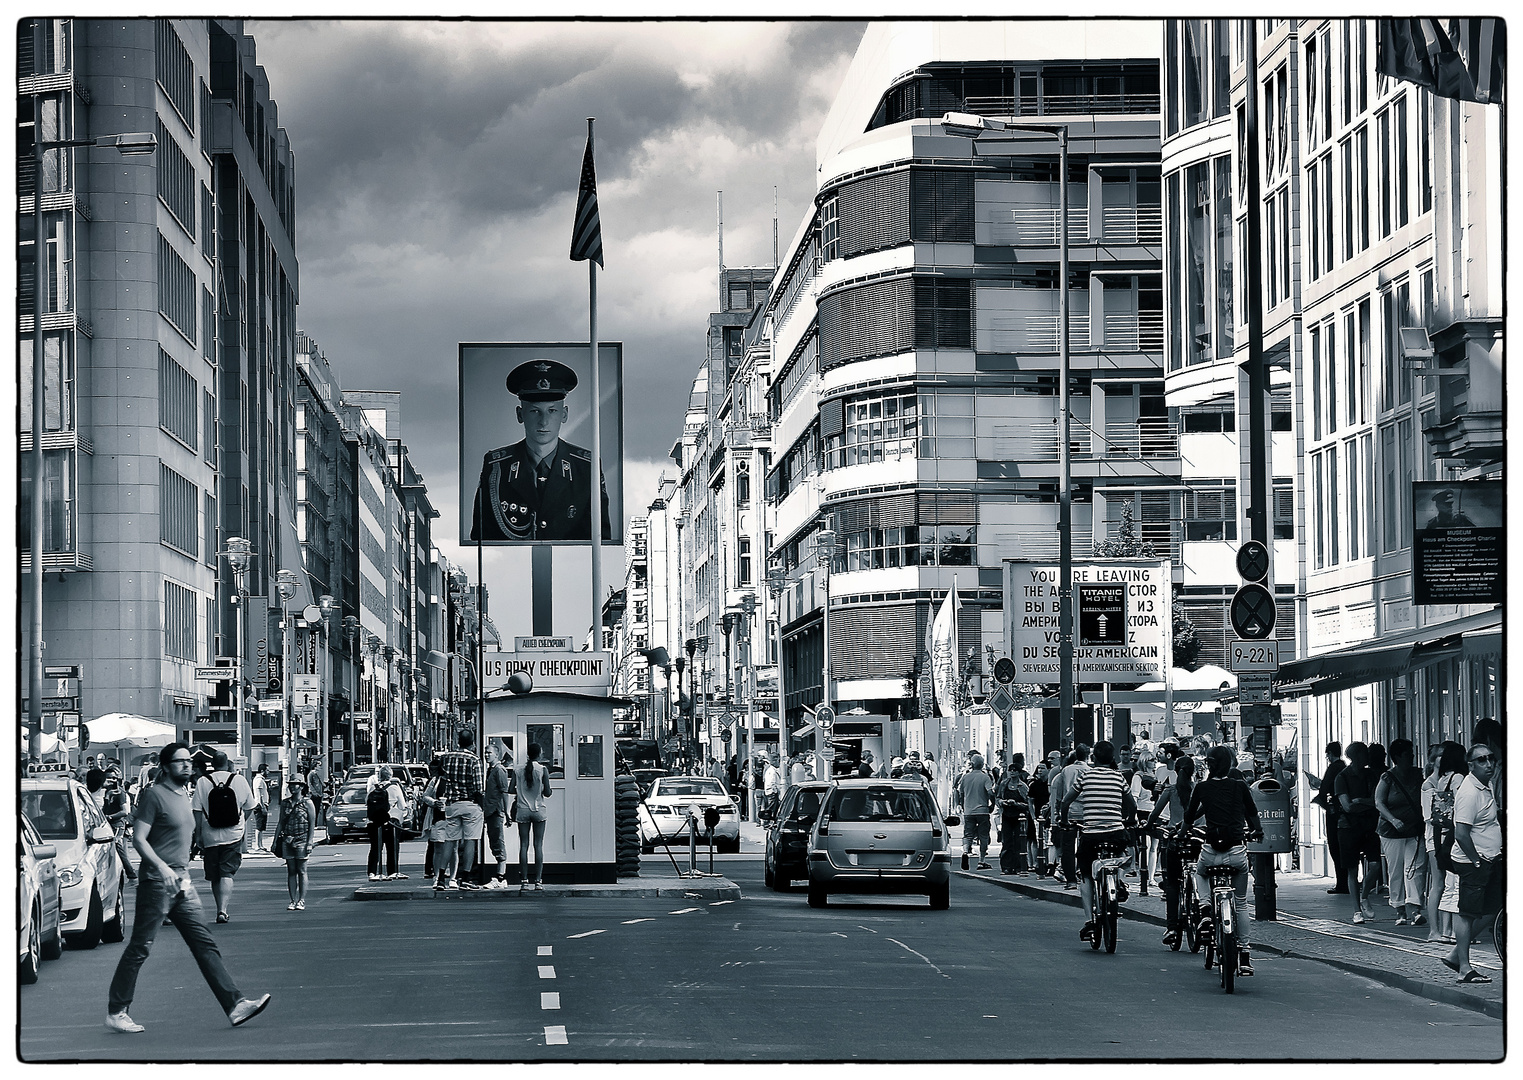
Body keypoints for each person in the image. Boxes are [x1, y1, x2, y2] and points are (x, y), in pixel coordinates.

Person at [106, 742, 270, 1033]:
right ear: (167, 766)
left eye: (188, 762)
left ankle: (235, 1005)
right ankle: (117, 1010)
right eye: (180, 762)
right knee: (140, 947)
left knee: (204, 944)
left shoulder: (185, 794)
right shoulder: (154, 796)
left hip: (182, 882)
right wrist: (162, 868)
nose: (187, 766)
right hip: (157, 882)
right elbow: (139, 839)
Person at [469, 358, 612, 542]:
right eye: (535, 411)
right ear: (520, 415)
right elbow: (481, 538)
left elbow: (602, 540)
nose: (544, 422)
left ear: (564, 414)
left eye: (552, 411)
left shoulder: (585, 467)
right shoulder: (497, 467)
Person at [1183, 745, 1265, 976]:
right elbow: (1252, 813)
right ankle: (1245, 955)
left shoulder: (1202, 787)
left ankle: (1206, 910)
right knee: (1240, 903)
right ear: (1230, 764)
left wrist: (1181, 833)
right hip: (1237, 852)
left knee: (1199, 873)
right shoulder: (1239, 786)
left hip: (1210, 851)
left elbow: (1190, 817)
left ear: (1208, 765)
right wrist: (1257, 831)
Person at [1443, 742, 1503, 984]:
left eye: (1490, 758)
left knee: (1493, 908)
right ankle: (1464, 968)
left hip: (1489, 857)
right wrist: (1476, 861)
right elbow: (1461, 833)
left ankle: (1457, 955)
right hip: (1474, 862)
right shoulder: (1469, 792)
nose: (1488, 763)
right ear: (1470, 765)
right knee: (1467, 912)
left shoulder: (1484, 785)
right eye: (1481, 760)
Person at [1059, 741, 1129, 943]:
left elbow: (1066, 801)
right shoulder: (1119, 777)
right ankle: (1118, 879)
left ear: (1093, 759)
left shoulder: (1086, 776)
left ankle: (1090, 920)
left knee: (1086, 876)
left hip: (1091, 834)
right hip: (1116, 832)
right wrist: (1130, 818)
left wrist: (1065, 820)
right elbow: (1130, 803)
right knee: (1126, 857)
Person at [191, 750, 254, 924]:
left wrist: (198, 834)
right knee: (227, 872)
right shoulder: (239, 780)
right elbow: (250, 806)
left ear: (212, 764)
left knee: (215, 874)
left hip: (210, 835)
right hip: (233, 834)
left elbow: (196, 810)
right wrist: (240, 821)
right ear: (227, 763)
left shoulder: (203, 781)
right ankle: (223, 910)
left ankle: (219, 906)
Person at [1374, 738, 1428, 926]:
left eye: (1412, 754)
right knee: (1396, 869)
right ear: (1397, 756)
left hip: (1414, 828)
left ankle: (1415, 908)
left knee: (1416, 868)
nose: (1411, 758)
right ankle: (1399, 909)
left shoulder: (1418, 774)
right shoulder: (1387, 777)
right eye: (1408, 755)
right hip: (1391, 831)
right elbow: (1379, 802)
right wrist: (1393, 819)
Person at [1145, 752, 1197, 947]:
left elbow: (1155, 813)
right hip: (1197, 839)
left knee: (1173, 884)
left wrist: (1148, 826)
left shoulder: (1171, 790)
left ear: (1176, 771)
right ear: (1194, 772)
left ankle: (1172, 927)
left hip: (1176, 839)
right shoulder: (1198, 789)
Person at [1423, 740, 1467, 944]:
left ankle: (1445, 929)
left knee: (1444, 884)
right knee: (1443, 884)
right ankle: (1437, 930)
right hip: (1440, 836)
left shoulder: (1440, 781)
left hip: (1439, 835)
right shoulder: (1436, 783)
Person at [1333, 742, 1381, 923]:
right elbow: (1347, 806)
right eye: (1364, 754)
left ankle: (1365, 896)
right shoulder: (1342, 777)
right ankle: (1356, 911)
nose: (1367, 758)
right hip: (1348, 827)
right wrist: (1367, 803)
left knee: (1375, 865)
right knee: (1352, 869)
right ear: (1356, 757)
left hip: (1369, 826)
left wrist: (1360, 800)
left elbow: (1377, 800)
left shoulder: (1371, 775)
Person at [434, 730, 486, 891]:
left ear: (458, 741)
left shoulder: (447, 757)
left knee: (450, 840)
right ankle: (465, 878)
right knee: (471, 840)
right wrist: (482, 804)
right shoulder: (474, 759)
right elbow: (479, 787)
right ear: (472, 743)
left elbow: (441, 775)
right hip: (470, 803)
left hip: (452, 804)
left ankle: (441, 878)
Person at [1049, 744, 1092, 889]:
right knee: (1085, 846)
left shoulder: (1066, 771)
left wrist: (1058, 813)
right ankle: (1084, 874)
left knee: (1068, 847)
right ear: (1088, 756)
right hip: (1086, 812)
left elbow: (1061, 795)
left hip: (1069, 812)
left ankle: (1071, 880)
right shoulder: (1090, 771)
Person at [512, 742, 553, 891]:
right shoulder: (543, 770)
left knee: (523, 845)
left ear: (528, 754)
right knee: (538, 845)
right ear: (540, 754)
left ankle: (524, 881)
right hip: (538, 810)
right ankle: (538, 881)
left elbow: (511, 789)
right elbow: (547, 793)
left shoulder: (517, 769)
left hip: (522, 809)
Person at [1312, 741, 1350, 893]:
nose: (1327, 756)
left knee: (1335, 846)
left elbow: (1325, 789)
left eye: (1327, 754)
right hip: (1343, 812)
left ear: (1330, 753)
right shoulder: (1344, 768)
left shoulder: (1334, 768)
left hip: (1334, 813)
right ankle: (1345, 882)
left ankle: (1342, 883)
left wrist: (1318, 786)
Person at [278, 776, 316, 911]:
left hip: (302, 838)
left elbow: (312, 823)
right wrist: (276, 840)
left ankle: (301, 900)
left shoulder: (307, 803)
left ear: (301, 786)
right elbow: (281, 822)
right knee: (291, 870)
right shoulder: (285, 803)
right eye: (291, 785)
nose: (292, 787)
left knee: (302, 870)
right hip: (288, 838)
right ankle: (292, 900)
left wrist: (310, 842)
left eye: (295, 784)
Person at [994, 762, 1035, 875]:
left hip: (1020, 817)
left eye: (1014, 770)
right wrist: (1002, 802)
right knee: (1006, 842)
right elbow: (998, 798)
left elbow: (1028, 804)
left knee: (1019, 842)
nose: (1012, 772)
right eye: (1010, 770)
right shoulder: (1004, 784)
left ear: (1019, 772)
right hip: (1007, 816)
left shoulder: (1023, 786)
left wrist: (1016, 804)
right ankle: (1006, 866)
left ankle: (1019, 866)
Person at [365, 766, 405, 882]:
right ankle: (392, 871)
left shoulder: (373, 788)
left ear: (379, 776)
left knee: (375, 848)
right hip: (390, 821)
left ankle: (372, 872)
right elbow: (402, 806)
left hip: (374, 822)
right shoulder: (395, 788)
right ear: (391, 776)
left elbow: (366, 802)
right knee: (392, 848)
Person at [481, 747, 513, 888]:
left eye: (489, 753)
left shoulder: (499, 770)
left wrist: (506, 812)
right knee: (493, 841)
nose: (487, 755)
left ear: (497, 754)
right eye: (485, 753)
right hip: (490, 810)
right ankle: (500, 875)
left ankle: (501, 877)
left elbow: (504, 791)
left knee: (498, 841)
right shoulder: (490, 770)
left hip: (496, 810)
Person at [958, 753, 996, 871]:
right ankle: (982, 860)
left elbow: (961, 793)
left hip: (968, 811)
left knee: (968, 834)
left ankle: (965, 852)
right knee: (983, 835)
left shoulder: (965, 777)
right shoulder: (985, 777)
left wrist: (962, 805)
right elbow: (990, 792)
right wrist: (992, 804)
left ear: (972, 764)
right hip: (982, 810)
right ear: (982, 764)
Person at [247, 764, 271, 854]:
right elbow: (259, 794)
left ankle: (260, 844)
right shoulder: (259, 781)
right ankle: (257, 845)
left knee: (261, 826)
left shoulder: (260, 780)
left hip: (262, 804)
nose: (268, 772)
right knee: (259, 825)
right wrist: (263, 806)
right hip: (260, 805)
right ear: (262, 771)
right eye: (267, 770)